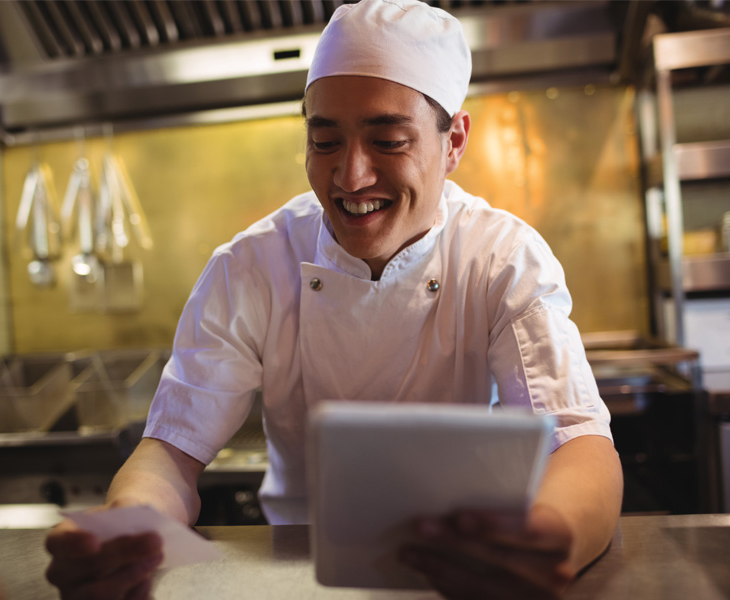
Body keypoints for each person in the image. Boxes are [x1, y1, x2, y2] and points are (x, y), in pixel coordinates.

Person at [45, 0, 623, 598]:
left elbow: (579, 442)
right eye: (324, 142)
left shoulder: (501, 259)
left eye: (389, 141)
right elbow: (170, 452)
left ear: (453, 142)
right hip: (301, 575)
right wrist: (128, 531)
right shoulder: (252, 267)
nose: (351, 176)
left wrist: (549, 537)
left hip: (476, 574)